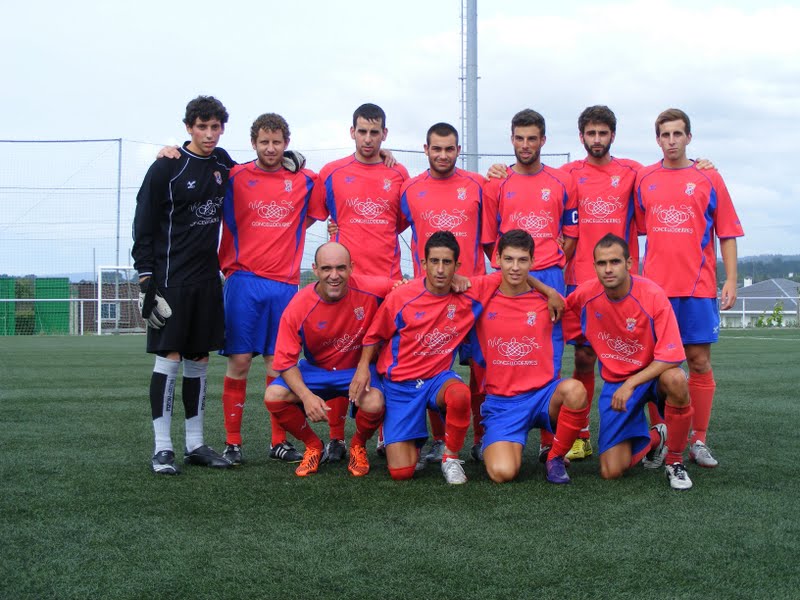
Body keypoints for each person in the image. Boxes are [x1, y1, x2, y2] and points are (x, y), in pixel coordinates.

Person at [216, 113, 327, 466]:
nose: (270, 148)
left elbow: (322, 201)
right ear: (253, 143)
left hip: (284, 285)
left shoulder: (304, 180)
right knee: (239, 360)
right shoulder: (236, 176)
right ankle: (233, 443)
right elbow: (207, 167)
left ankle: (278, 442)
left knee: (278, 363)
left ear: (286, 143)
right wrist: (170, 152)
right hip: (243, 280)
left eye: (277, 142)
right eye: (264, 142)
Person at [635, 108, 744, 468]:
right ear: (657, 139)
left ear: (689, 137)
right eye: (664, 135)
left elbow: (726, 232)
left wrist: (730, 278)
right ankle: (663, 431)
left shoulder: (708, 177)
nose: (671, 141)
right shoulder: (644, 179)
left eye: (677, 134)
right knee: (654, 366)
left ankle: (698, 440)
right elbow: (629, 229)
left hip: (697, 288)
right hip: (654, 292)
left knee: (698, 362)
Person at [350, 231, 501, 484]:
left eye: (447, 262)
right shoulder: (402, 297)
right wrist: (363, 367)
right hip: (400, 385)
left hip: (436, 380)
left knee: (460, 394)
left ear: (457, 266)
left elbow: (512, 270)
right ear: (424, 264)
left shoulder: (469, 293)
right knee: (401, 473)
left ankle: (450, 458)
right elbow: (374, 335)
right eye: (434, 262)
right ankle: (362, 441)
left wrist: (550, 293)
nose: (440, 269)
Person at [132, 95, 233, 474]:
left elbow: (259, 170)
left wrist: (295, 160)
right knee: (170, 357)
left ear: (222, 128)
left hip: (208, 280)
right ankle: (162, 448)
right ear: (188, 127)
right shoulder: (166, 168)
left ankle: (195, 444)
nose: (209, 133)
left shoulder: (223, 163)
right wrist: (146, 278)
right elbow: (143, 221)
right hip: (170, 280)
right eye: (201, 126)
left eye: (215, 126)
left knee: (200, 359)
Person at [482, 108, 579, 461]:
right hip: (508, 278)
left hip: (550, 274)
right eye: (519, 138)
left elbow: (570, 236)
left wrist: (547, 273)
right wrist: (517, 271)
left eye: (532, 138)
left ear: (543, 141)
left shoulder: (562, 181)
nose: (525, 145)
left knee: (547, 357)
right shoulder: (497, 182)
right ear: (511, 140)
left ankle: (548, 445)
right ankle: (494, 430)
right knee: (500, 350)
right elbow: (490, 240)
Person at [563, 234, 695, 490]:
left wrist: (632, 383)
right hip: (616, 382)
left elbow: (673, 355)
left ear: (629, 263)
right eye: (602, 263)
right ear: (594, 267)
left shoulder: (652, 295)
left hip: (653, 377)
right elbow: (560, 307)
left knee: (677, 379)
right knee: (611, 470)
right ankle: (657, 437)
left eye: (615, 261)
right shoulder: (586, 294)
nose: (608, 269)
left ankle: (675, 462)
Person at [318, 103, 410, 463]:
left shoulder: (398, 173)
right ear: (351, 131)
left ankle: (386, 435)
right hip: (347, 283)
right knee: (343, 357)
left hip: (388, 283)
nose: (368, 139)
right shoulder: (333, 172)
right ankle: (337, 439)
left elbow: (401, 220)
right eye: (362, 131)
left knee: (387, 359)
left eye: (375, 132)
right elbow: (314, 206)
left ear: (384, 134)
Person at [398, 122, 490, 466]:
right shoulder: (410, 188)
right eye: (436, 148)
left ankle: (482, 439)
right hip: (431, 297)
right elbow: (386, 226)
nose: (442, 155)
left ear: (458, 150)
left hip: (473, 295)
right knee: (432, 367)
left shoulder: (478, 186)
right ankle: (438, 441)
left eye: (449, 148)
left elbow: (493, 239)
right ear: (426, 149)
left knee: (481, 370)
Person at [264, 242, 397, 477]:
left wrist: (456, 280)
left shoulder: (371, 288)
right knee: (273, 396)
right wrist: (306, 397)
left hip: (355, 370)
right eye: (326, 268)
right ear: (315, 269)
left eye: (341, 268)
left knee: (375, 402)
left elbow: (412, 288)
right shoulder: (298, 306)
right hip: (317, 369)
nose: (334, 276)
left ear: (352, 268)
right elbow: (285, 361)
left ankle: (357, 444)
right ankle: (313, 446)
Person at [472, 230, 589, 484]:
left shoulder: (551, 303)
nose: (515, 267)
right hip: (503, 403)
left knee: (575, 391)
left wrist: (548, 292)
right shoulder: (481, 300)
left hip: (543, 396)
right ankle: (498, 441)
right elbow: (441, 286)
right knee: (502, 473)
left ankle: (555, 457)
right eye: (509, 259)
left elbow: (589, 304)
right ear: (498, 259)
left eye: (522, 260)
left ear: (533, 262)